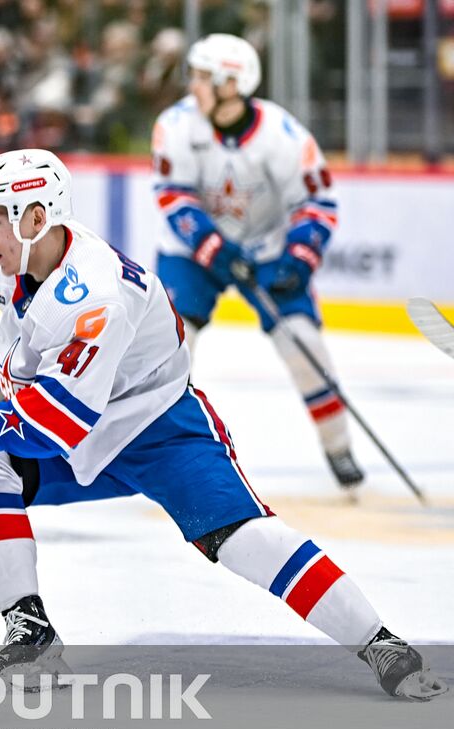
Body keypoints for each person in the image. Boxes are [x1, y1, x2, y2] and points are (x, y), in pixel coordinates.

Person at [0, 149, 446, 702]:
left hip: (158, 431)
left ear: (35, 218)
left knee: (243, 541)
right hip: (83, 426)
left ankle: (380, 643)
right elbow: (19, 350)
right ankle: (32, 631)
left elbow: (51, 425)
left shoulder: (96, 296)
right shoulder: (25, 266)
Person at [151, 34, 362, 492]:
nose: (194, 85)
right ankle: (152, 449)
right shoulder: (177, 125)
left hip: (267, 249)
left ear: (234, 83)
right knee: (169, 347)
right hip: (193, 253)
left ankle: (338, 445)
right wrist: (217, 252)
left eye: (205, 77)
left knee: (303, 344)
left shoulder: (282, 135)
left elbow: (317, 202)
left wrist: (298, 259)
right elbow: (173, 195)